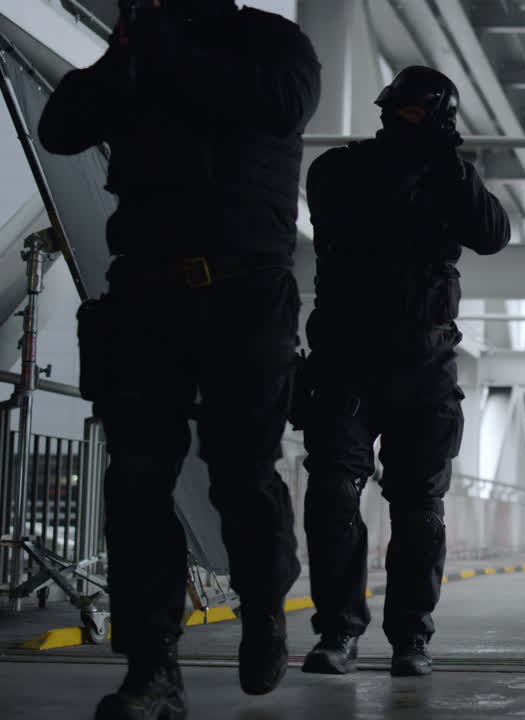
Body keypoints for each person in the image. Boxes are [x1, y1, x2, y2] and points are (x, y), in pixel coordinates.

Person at [39, 0, 319, 715]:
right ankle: (152, 666)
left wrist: (170, 51)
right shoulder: (137, 54)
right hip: (146, 292)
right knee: (135, 483)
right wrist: (123, 55)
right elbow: (62, 127)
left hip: (246, 293)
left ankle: (262, 606)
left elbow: (284, 106)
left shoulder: (269, 41)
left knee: (241, 476)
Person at [296, 65, 510, 679]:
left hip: (425, 365)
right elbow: (342, 216)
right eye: (407, 111)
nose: (411, 122)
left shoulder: (449, 174)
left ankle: (411, 638)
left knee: (419, 508)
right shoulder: (341, 168)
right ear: (388, 110)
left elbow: (493, 234)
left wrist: (449, 163)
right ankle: (337, 631)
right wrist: (418, 163)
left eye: (425, 114)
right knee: (334, 494)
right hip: (346, 362)